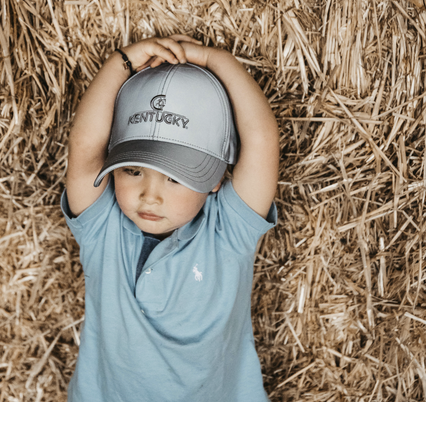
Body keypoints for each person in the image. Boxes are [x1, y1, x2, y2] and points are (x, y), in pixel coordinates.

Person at [61, 34, 279, 401]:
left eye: (175, 177)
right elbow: (84, 147)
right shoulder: (102, 229)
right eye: (132, 171)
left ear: (215, 180)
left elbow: (261, 138)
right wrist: (120, 64)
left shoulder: (228, 233)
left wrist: (215, 59)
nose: (150, 194)